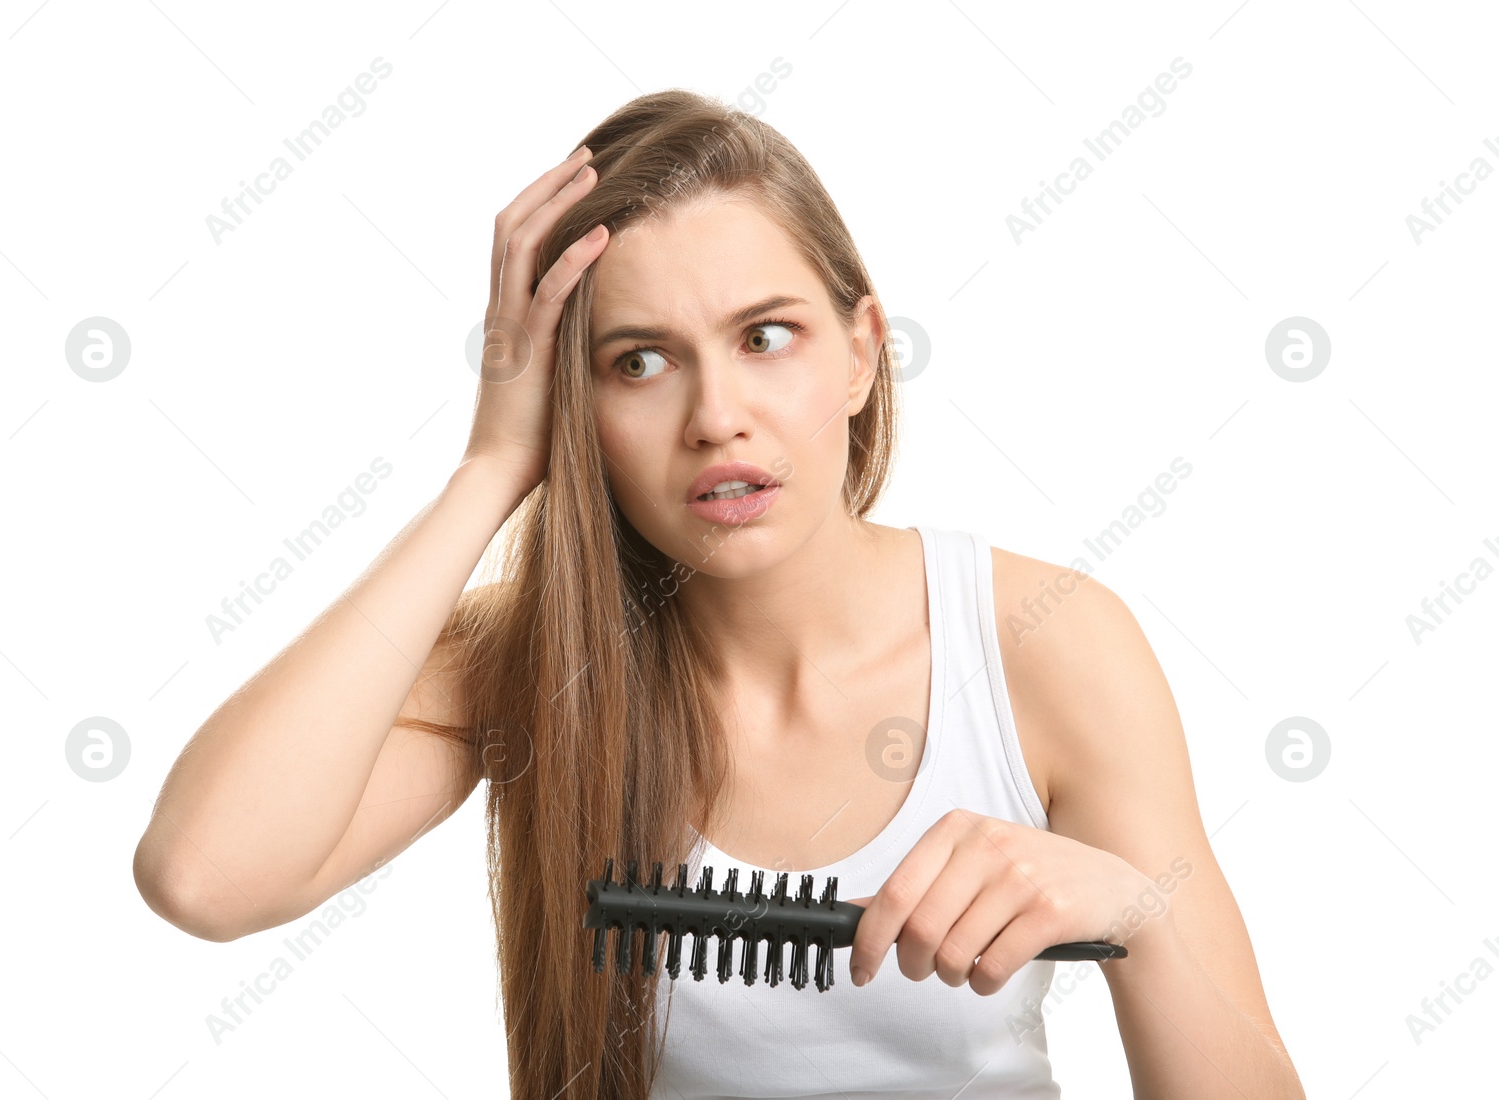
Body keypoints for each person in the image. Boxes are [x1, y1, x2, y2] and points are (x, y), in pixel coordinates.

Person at [132, 89, 1305, 1099]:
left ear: (859, 353)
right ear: (571, 403)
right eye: (636, 360)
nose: (714, 416)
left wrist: (1135, 914)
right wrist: (490, 469)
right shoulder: (533, 663)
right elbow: (205, 875)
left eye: (765, 335)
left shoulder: (1046, 645)